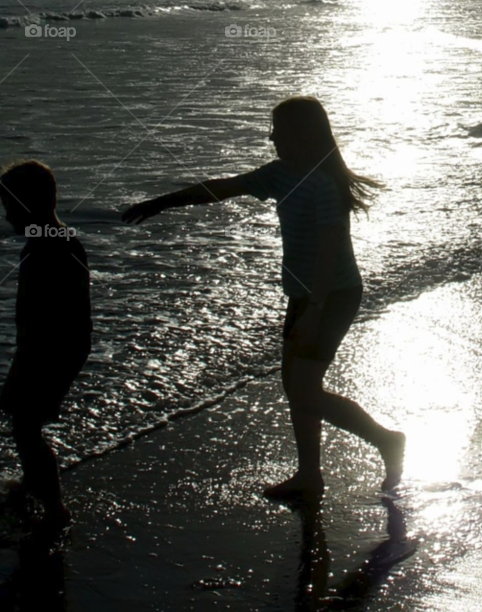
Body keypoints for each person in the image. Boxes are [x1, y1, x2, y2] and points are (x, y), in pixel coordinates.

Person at [121, 95, 405, 500]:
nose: (271, 137)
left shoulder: (323, 185)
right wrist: (163, 202)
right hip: (305, 296)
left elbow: (329, 250)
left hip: (332, 295)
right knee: (297, 386)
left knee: (304, 389)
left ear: (302, 135)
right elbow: (221, 189)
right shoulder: (281, 175)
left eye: (278, 130)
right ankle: (309, 475)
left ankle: (385, 440)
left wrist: (314, 311)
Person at [0, 160, 92, 529]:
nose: (7, 218)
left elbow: (60, 310)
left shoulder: (53, 245)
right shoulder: (51, 239)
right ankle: (33, 482)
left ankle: (55, 508)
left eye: (10, 208)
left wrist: (35, 352)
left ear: (30, 205)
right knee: (24, 422)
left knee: (25, 427)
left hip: (51, 349)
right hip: (46, 346)